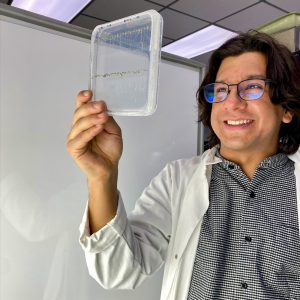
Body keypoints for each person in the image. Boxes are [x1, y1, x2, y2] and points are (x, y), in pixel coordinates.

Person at [66, 31, 300, 299]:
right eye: (221, 90)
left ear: (287, 109)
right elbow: (118, 270)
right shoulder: (178, 180)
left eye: (253, 87)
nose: (232, 103)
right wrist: (102, 177)